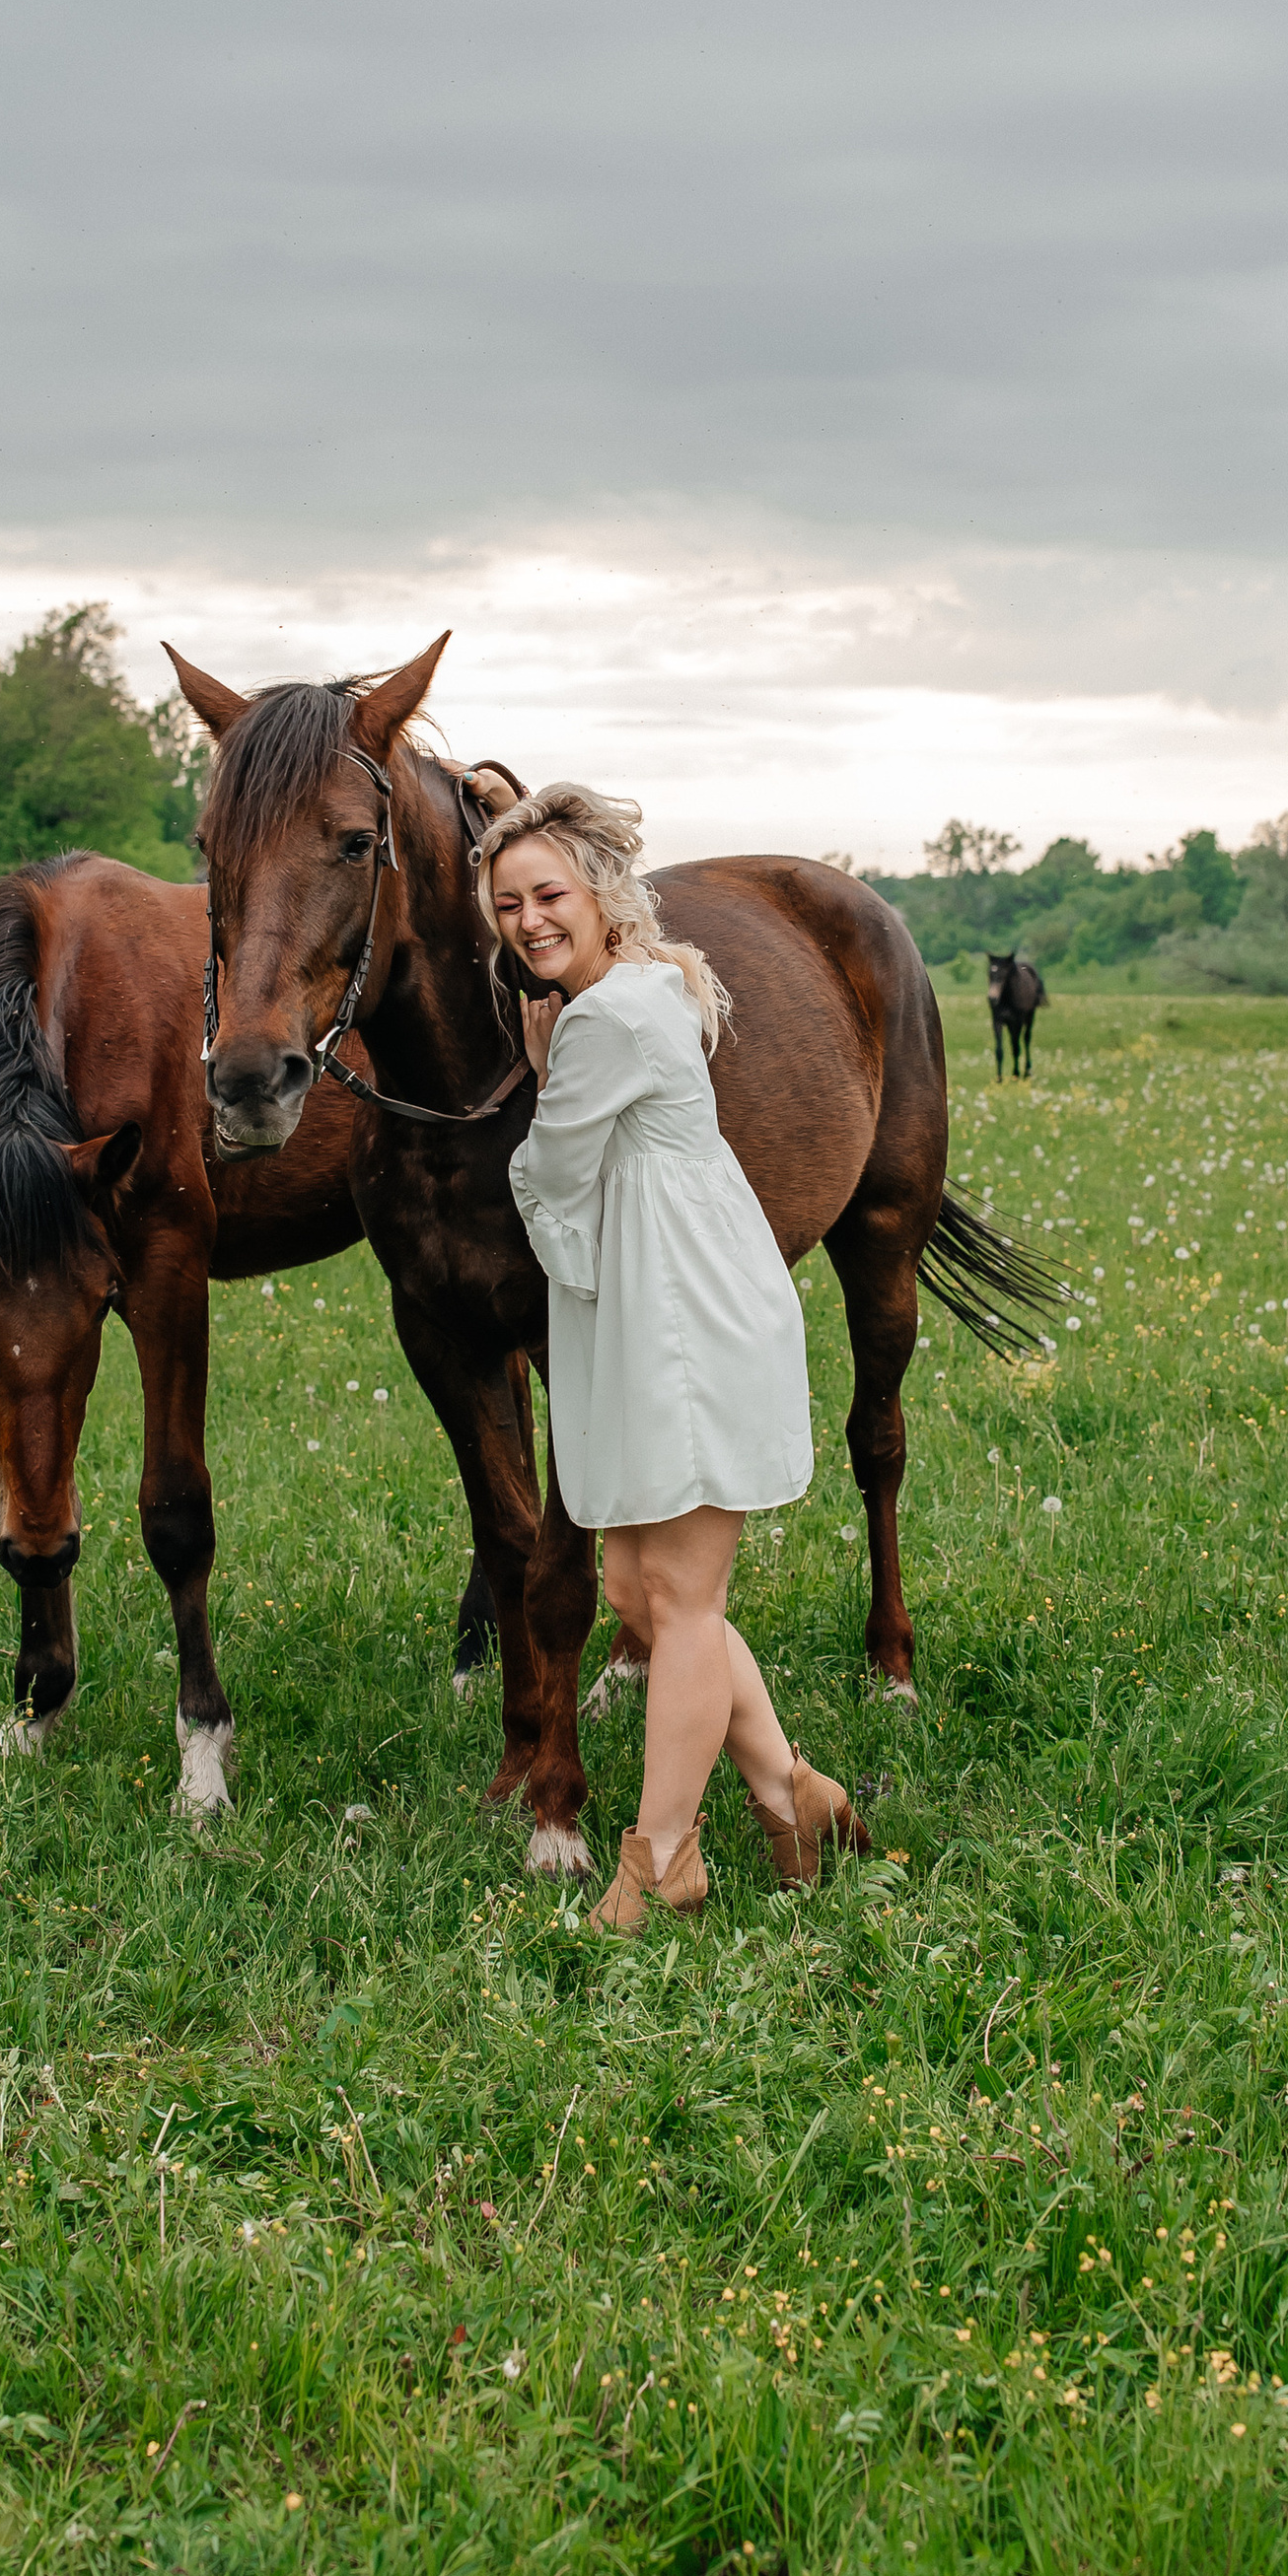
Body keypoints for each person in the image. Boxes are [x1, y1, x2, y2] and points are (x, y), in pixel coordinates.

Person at [475, 780, 861, 1933]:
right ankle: (795, 1793)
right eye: (506, 907)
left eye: (547, 894)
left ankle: (660, 1857)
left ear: (599, 894)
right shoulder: (639, 988)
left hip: (681, 1314)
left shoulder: (603, 1018)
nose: (529, 921)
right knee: (642, 1587)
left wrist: (545, 1086)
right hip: (666, 1295)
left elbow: (549, 1176)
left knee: (681, 1600)